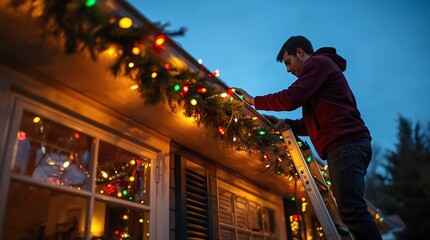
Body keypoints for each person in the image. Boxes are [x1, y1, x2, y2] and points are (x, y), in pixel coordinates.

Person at [236, 36, 382, 240]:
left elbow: (292, 97)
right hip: (348, 144)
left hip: (345, 144)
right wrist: (286, 123)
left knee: (352, 212)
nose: (288, 70)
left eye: (288, 62)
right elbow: (313, 121)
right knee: (352, 210)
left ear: (300, 52)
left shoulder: (318, 64)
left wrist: (253, 100)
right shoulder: (322, 72)